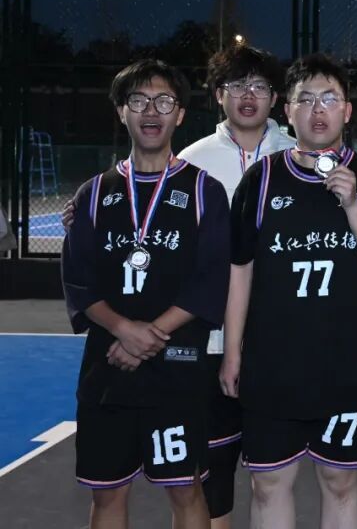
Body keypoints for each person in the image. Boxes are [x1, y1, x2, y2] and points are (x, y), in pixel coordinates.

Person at [220, 53, 357, 528]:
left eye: (330, 99)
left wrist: (353, 204)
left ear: (348, 110)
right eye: (306, 99)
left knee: (340, 482)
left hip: (345, 365)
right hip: (272, 365)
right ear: (288, 111)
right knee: (268, 483)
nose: (318, 110)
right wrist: (233, 353)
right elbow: (241, 270)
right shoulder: (261, 179)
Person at [61, 59, 230, 529]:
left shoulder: (204, 191)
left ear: (180, 114)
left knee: (186, 489)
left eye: (163, 101)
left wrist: (148, 334)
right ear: (121, 111)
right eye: (138, 100)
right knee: (107, 493)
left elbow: (211, 279)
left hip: (178, 368)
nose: (150, 111)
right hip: (108, 367)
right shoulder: (94, 194)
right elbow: (79, 280)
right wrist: (123, 329)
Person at [175, 45, 295, 528]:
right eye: (236, 86)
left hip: (281, 343)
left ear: (276, 98)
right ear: (218, 95)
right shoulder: (191, 161)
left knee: (274, 477)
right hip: (210, 342)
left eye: (259, 86)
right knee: (213, 474)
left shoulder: (299, 154)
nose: (248, 96)